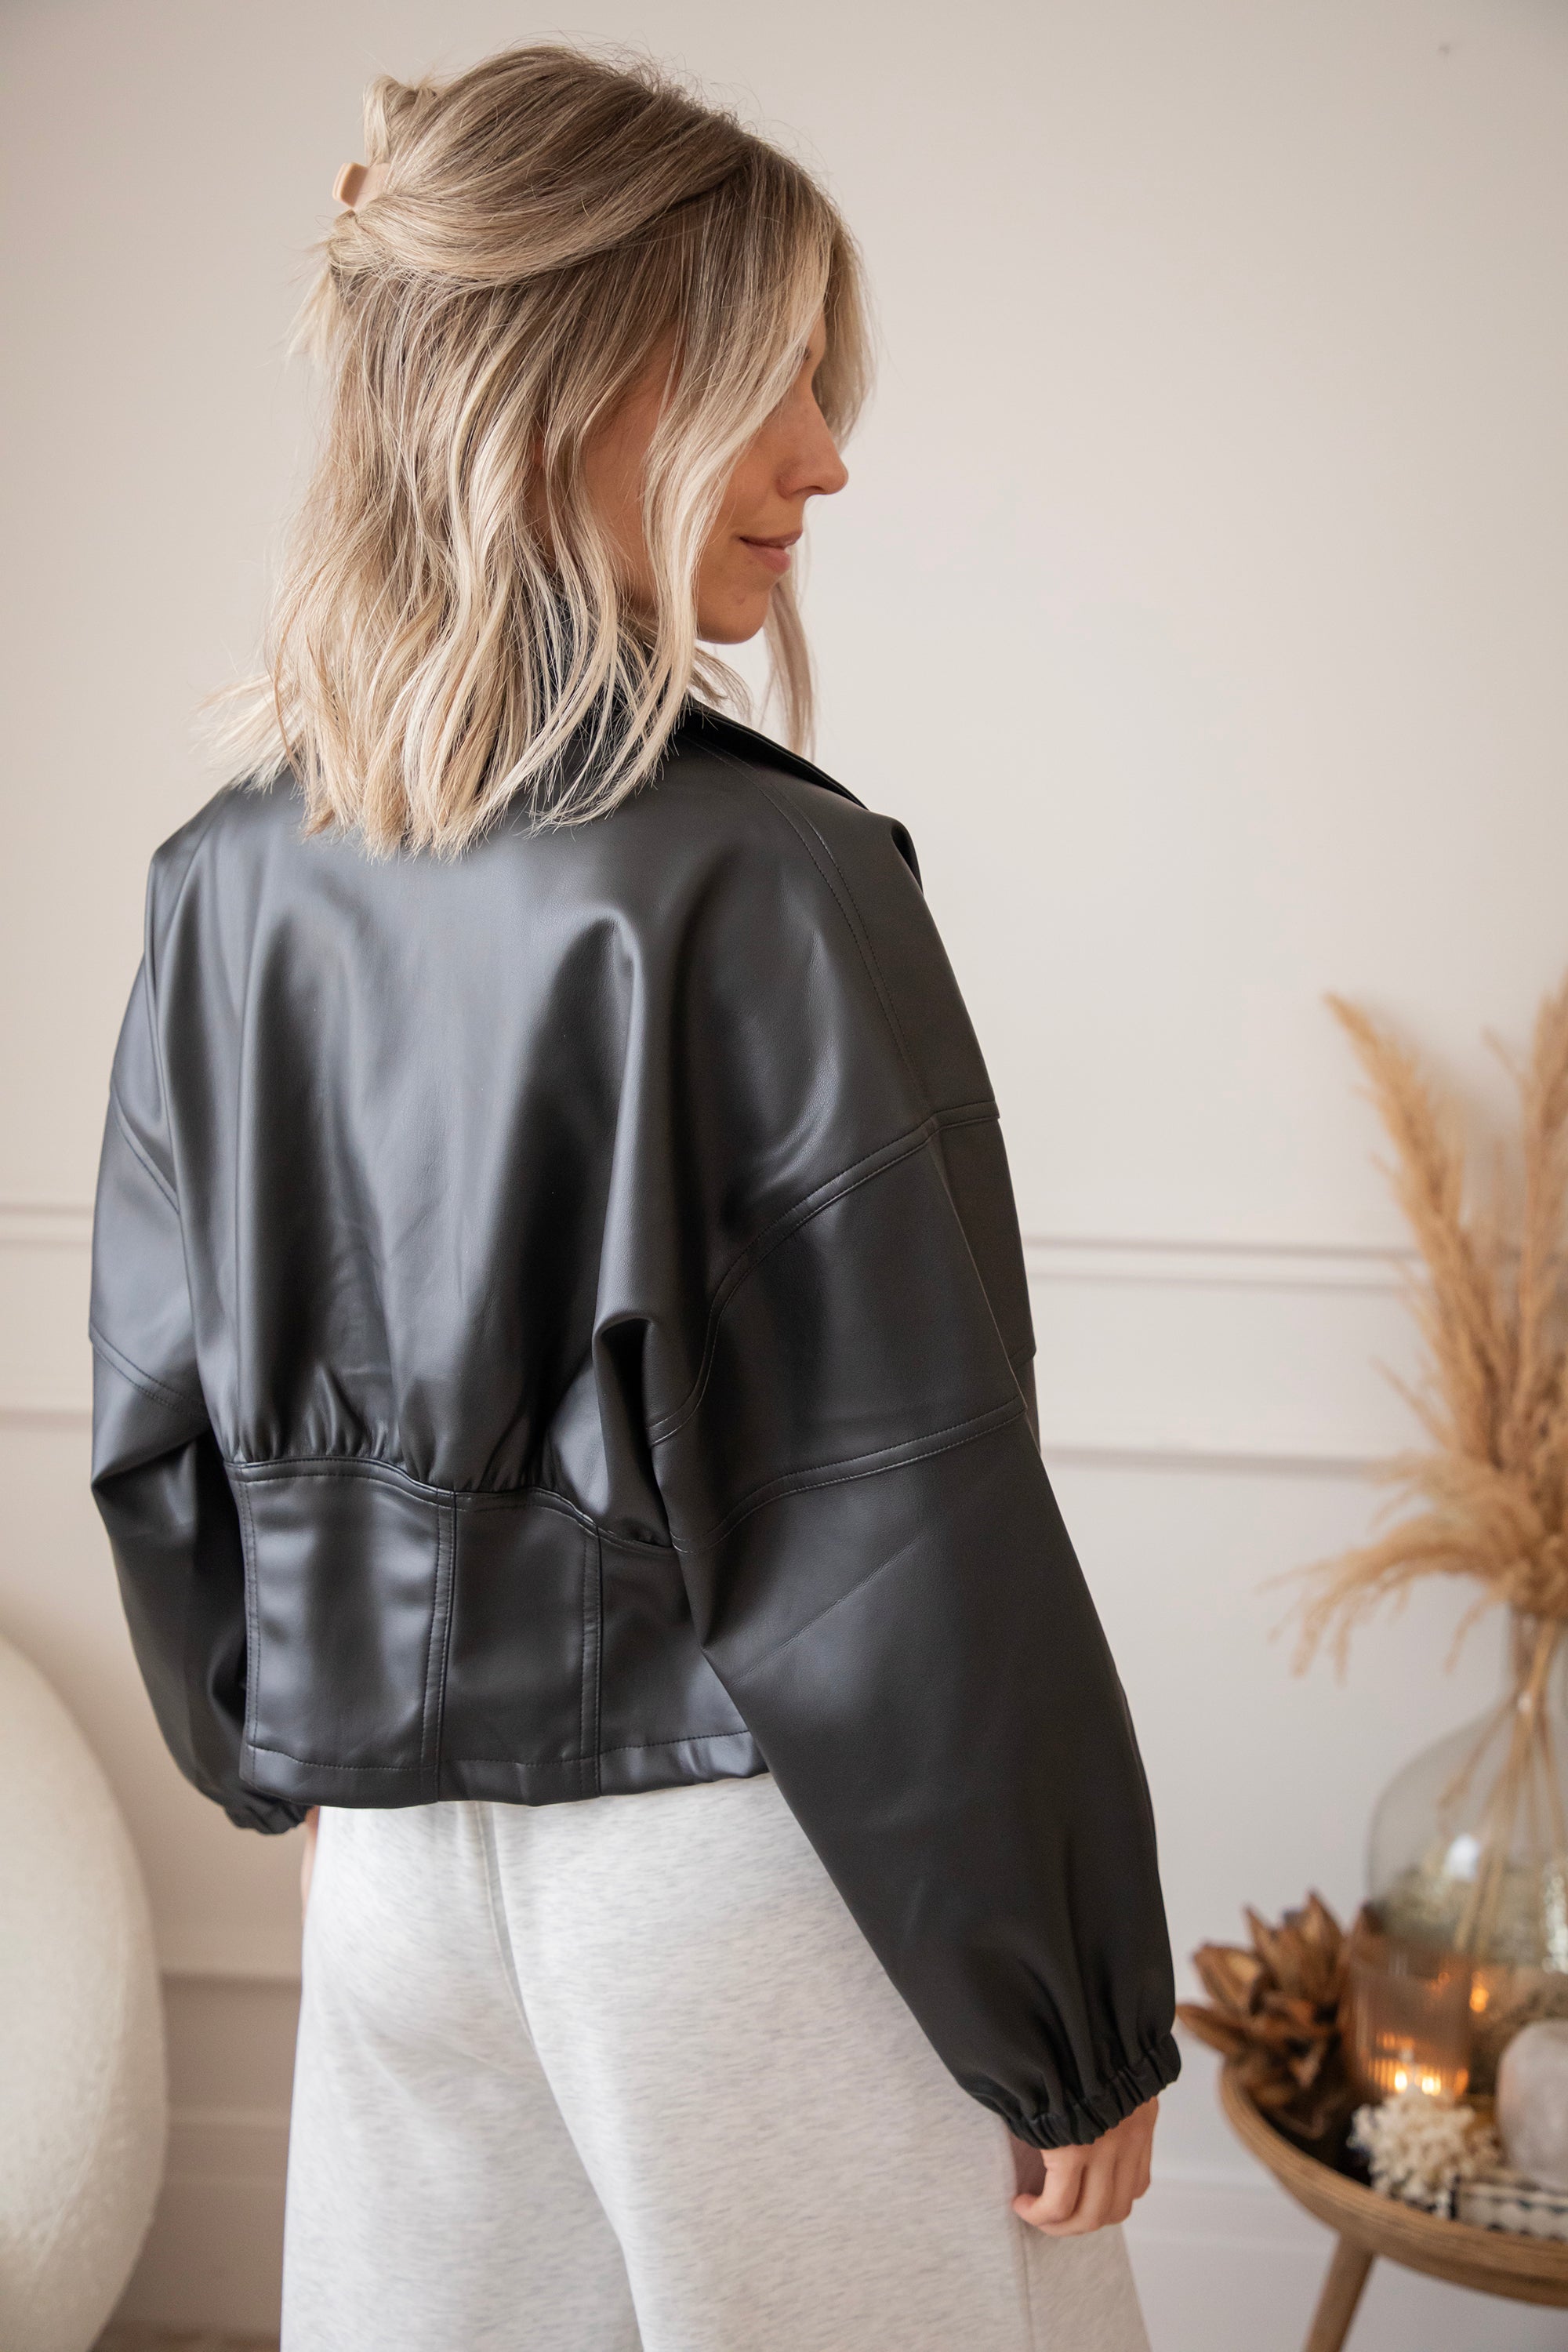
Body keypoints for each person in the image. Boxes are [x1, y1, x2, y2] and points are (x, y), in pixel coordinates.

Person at [89, 44, 1179, 2352]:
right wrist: (1067, 2003)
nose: (826, 457)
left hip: (396, 1879)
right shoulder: (765, 883)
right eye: (772, 375)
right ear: (583, 377)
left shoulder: (228, 879)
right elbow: (896, 1502)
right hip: (746, 1884)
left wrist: (286, 1730)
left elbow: (160, 1420)